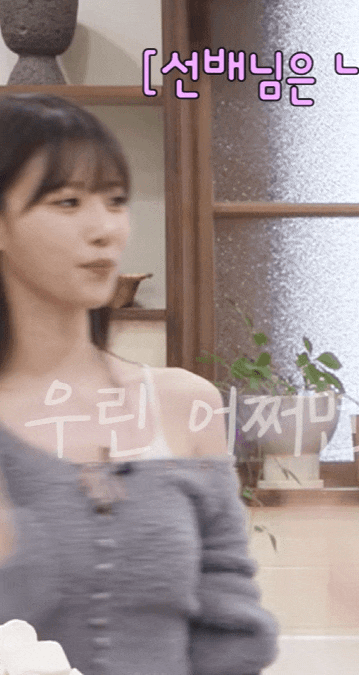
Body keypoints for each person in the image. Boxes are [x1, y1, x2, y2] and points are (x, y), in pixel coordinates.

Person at [0, 94, 279, 675]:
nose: (105, 229)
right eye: (67, 201)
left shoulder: (185, 402)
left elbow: (231, 632)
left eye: (116, 201)